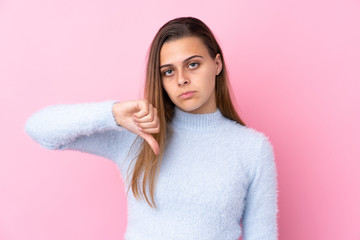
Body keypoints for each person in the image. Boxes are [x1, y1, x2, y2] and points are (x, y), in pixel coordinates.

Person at [25, 16, 279, 240]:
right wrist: (112, 113)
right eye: (168, 71)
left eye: (193, 64)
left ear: (217, 65)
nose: (182, 79)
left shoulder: (253, 148)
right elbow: (39, 128)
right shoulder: (139, 134)